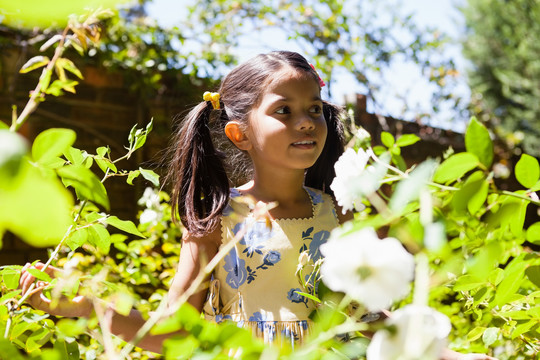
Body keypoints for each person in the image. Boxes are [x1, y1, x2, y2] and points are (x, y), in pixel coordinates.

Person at [19, 51, 496, 359]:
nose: (306, 121)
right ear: (239, 132)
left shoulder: (343, 217)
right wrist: (84, 307)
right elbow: (170, 329)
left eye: (314, 109)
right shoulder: (215, 224)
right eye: (283, 110)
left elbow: (369, 320)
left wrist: (451, 355)